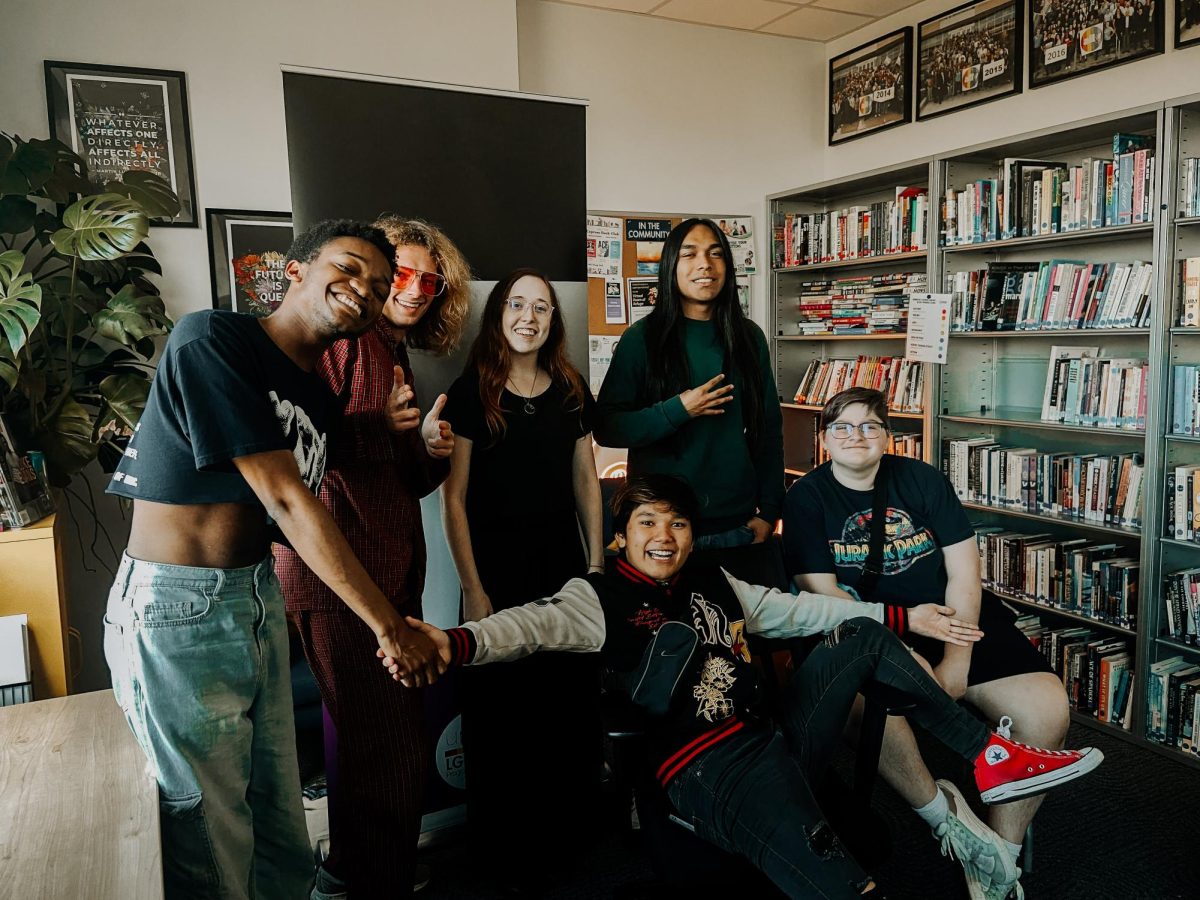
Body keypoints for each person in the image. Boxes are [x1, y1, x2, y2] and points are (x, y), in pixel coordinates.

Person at [386, 474, 1103, 900]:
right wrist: (449, 643)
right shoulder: (596, 596)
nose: (664, 536)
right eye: (646, 523)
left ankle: (989, 758)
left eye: (677, 524)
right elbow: (525, 628)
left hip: (773, 733)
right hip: (709, 773)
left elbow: (800, 611)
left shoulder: (711, 579)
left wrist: (898, 613)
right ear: (619, 538)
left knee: (857, 635)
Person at [103, 219, 444, 900]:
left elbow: (302, 497)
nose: (364, 291)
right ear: (295, 271)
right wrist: (389, 625)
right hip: (178, 604)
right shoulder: (212, 339)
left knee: (279, 820)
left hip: (252, 596)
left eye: (380, 288)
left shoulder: (318, 395)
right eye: (349, 269)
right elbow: (287, 501)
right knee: (209, 826)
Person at [783, 387, 1076, 900]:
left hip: (952, 620)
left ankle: (996, 855)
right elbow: (823, 596)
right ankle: (948, 822)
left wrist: (957, 661)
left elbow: (965, 574)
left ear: (888, 437)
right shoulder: (806, 496)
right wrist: (907, 639)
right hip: (869, 628)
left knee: (1046, 711)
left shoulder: (921, 479)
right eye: (843, 427)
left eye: (871, 425)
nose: (857, 436)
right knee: (863, 704)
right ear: (824, 437)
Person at [275, 217, 471, 900]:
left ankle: (359, 876)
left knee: (380, 752)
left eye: (425, 279)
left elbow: (401, 479)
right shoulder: (340, 340)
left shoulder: (387, 348)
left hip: (383, 578)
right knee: (385, 756)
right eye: (399, 276)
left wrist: (427, 453)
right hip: (344, 582)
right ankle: (366, 881)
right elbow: (305, 454)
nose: (412, 290)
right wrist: (379, 430)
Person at [440, 267, 604, 892]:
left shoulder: (568, 386)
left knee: (563, 700)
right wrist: (473, 588)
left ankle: (568, 836)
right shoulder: (469, 393)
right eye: (516, 304)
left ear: (553, 321)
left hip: (562, 563)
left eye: (541, 306)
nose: (528, 316)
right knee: (501, 712)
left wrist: (593, 567)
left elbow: (586, 480)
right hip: (495, 568)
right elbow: (454, 501)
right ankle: (504, 848)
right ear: (498, 315)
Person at [595, 217, 782, 552]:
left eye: (715, 254)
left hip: (736, 526)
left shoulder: (749, 338)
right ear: (670, 265)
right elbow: (608, 428)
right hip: (660, 528)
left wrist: (770, 511)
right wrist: (678, 410)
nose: (704, 265)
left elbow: (769, 431)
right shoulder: (642, 339)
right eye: (689, 254)